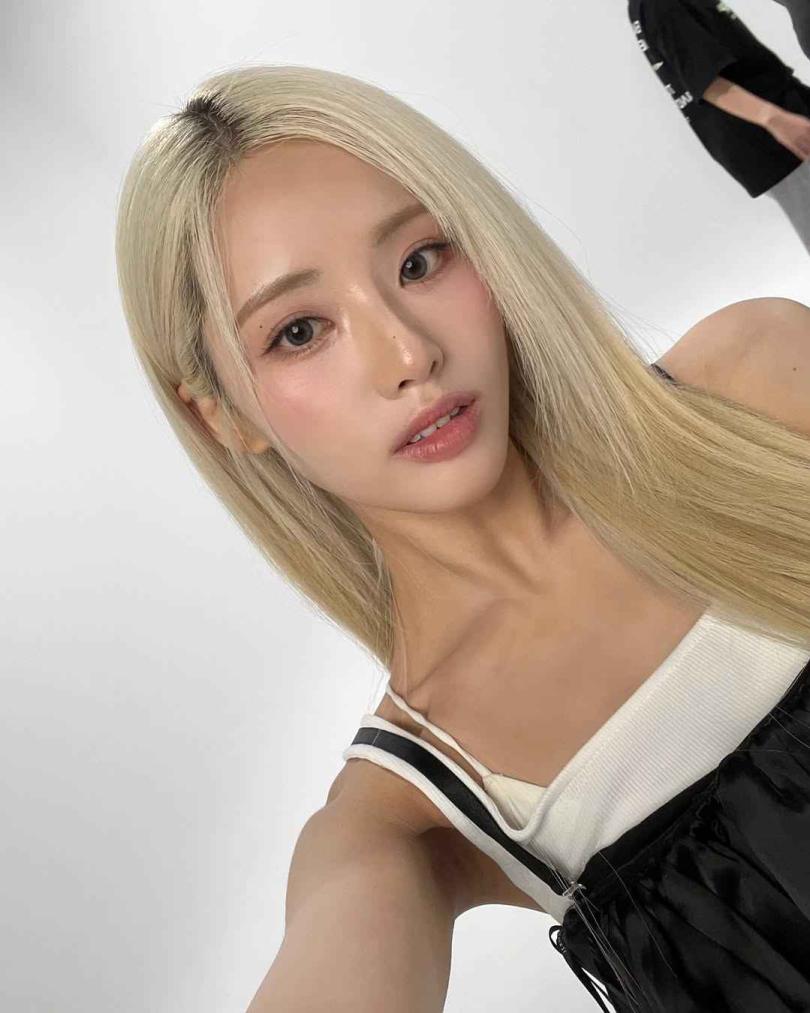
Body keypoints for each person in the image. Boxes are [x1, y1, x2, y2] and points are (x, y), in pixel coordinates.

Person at [115, 64, 810, 1011]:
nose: (410, 355)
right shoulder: (411, 814)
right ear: (222, 416)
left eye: (419, 261)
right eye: (301, 331)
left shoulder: (761, 385)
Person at [629, 0, 810, 254]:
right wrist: (774, 119)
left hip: (783, 115)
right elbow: (706, 82)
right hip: (775, 140)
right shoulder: (660, 5)